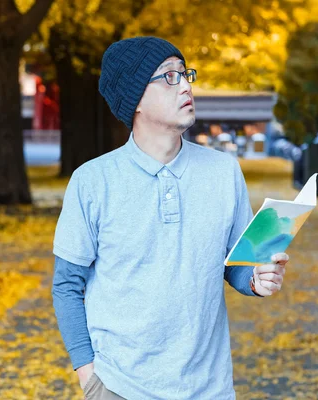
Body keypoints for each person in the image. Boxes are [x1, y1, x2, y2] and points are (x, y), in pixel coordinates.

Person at [52, 36, 289, 400]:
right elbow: (67, 285)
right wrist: (91, 379)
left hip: (210, 389)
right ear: (136, 100)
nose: (186, 85)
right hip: (119, 387)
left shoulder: (224, 172)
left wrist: (257, 278)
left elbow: (235, 265)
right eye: (169, 76)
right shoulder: (92, 181)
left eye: (186, 73)